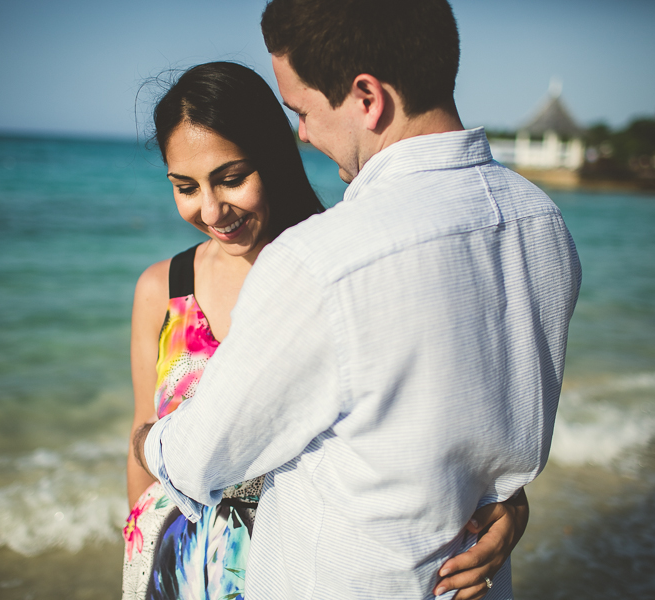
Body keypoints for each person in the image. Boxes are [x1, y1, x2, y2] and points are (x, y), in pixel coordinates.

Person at [124, 61, 530, 600]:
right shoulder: (163, 289)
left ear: (272, 158)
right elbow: (144, 447)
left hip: (297, 574)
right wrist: (138, 557)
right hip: (178, 572)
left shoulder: (341, 267)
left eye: (231, 178)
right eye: (185, 186)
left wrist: (505, 501)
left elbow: (429, 423)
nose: (211, 209)